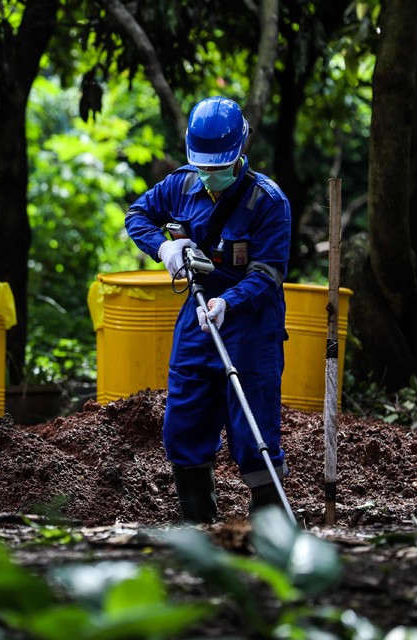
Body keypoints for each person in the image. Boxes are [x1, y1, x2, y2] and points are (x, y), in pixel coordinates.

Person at [125, 96, 292, 523]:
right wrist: (164, 246)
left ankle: (269, 531)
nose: (211, 175)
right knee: (184, 421)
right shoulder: (180, 185)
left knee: (253, 431)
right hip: (197, 317)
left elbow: (268, 273)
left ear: (239, 153)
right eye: (204, 166)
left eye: (219, 167)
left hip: (251, 324)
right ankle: (199, 526)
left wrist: (227, 302)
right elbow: (138, 215)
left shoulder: (268, 202)